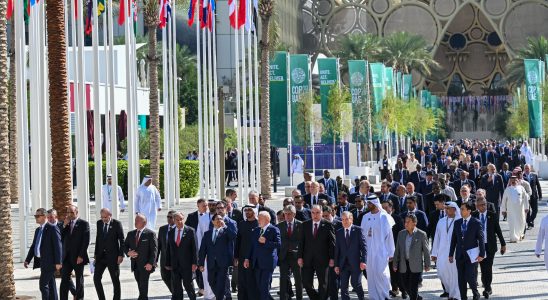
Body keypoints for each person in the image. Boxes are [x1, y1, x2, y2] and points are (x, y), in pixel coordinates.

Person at [360, 196, 395, 300]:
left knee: (382, 274)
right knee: (371, 275)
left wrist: (391, 253)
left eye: (369, 203)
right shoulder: (365, 217)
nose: (367, 205)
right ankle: (374, 297)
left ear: (375, 203)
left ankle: (385, 296)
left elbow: (389, 237)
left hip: (381, 251)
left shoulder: (384, 217)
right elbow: (362, 235)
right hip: (368, 252)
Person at [298, 205, 335, 300]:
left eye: (317, 212)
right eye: (313, 213)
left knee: (323, 284)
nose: (315, 215)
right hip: (307, 259)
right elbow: (301, 242)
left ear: (322, 213)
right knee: (306, 283)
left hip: (323, 259)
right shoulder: (305, 224)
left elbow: (332, 243)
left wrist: (332, 258)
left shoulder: (327, 224)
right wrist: (300, 257)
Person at [449, 203, 485, 300]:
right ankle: (463, 297)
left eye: (463, 209)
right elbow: (454, 239)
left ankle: (475, 292)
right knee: (461, 279)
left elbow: (481, 239)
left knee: (470, 276)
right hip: (460, 255)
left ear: (469, 211)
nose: (460, 211)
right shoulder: (457, 223)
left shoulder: (476, 222)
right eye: (460, 209)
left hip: (471, 255)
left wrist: (482, 254)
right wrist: (450, 254)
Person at [24, 208, 62, 300]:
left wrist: (58, 262)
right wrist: (27, 260)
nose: (36, 218)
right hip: (42, 262)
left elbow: (58, 246)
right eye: (35, 216)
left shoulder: (52, 228)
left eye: (38, 216)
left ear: (44, 216)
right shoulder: (38, 230)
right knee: (51, 284)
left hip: (50, 262)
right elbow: (34, 246)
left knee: (43, 285)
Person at [198, 213, 238, 300]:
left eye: (221, 219)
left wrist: (226, 227)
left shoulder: (225, 232)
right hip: (211, 262)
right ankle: (221, 296)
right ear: (213, 221)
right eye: (217, 219)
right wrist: (201, 264)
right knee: (211, 281)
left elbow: (234, 236)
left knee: (221, 283)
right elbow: (202, 250)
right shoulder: (207, 234)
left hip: (222, 263)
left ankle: (219, 298)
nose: (219, 220)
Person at [472, 198, 506, 298]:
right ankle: (485, 284)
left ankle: (488, 288)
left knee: (488, 267)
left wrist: (503, 244)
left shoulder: (492, 215)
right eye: (480, 205)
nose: (483, 206)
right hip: (478, 246)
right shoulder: (474, 215)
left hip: (490, 245)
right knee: (482, 267)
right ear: (477, 206)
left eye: (484, 204)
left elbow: (498, 230)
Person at [244, 211, 281, 299]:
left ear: (267, 219)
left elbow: (278, 244)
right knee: (260, 287)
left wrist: (266, 242)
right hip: (257, 262)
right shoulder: (256, 230)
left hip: (267, 263)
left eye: (260, 218)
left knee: (264, 287)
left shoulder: (274, 229)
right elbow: (251, 246)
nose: (258, 220)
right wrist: (247, 258)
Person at [393, 214, 430, 300]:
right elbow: (397, 250)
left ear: (414, 223)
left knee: (413, 287)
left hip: (416, 265)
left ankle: (414, 297)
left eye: (408, 222)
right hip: (403, 264)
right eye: (405, 222)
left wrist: (427, 264)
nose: (405, 224)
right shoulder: (401, 234)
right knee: (405, 285)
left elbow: (426, 251)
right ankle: (417, 298)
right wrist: (395, 263)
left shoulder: (421, 234)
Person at [431, 202, 461, 300]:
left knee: (455, 274)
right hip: (442, 252)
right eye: (446, 208)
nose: (446, 210)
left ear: (454, 209)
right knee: (442, 272)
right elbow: (436, 238)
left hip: (455, 252)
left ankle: (456, 295)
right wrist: (434, 253)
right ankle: (449, 291)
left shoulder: (460, 220)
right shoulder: (441, 221)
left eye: (448, 208)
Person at [124, 213, 158, 300]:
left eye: (138, 221)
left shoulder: (150, 234)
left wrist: (151, 263)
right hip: (135, 265)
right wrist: (128, 252)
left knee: (143, 284)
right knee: (140, 284)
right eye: (135, 220)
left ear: (144, 223)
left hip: (146, 265)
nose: (135, 222)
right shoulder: (131, 234)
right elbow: (124, 246)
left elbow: (154, 250)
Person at [93, 208, 125, 300]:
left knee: (115, 280)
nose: (103, 219)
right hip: (100, 257)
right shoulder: (99, 223)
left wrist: (121, 255)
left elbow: (122, 240)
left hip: (113, 257)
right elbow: (98, 238)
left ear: (110, 215)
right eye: (102, 217)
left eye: (105, 217)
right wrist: (95, 253)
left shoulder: (117, 224)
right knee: (96, 279)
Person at [334, 211, 367, 300]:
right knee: (343, 287)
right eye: (343, 219)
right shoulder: (339, 232)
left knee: (355, 283)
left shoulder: (358, 230)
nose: (344, 221)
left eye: (346, 219)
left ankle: (361, 298)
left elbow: (364, 247)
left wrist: (364, 261)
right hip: (343, 264)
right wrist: (336, 264)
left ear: (351, 219)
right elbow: (337, 249)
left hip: (356, 263)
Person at [60, 205, 90, 300]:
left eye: (71, 212)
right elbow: (60, 237)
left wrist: (81, 256)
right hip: (66, 257)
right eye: (68, 212)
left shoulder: (83, 224)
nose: (69, 214)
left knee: (79, 280)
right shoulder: (65, 224)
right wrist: (64, 225)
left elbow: (86, 241)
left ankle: (79, 298)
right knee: (64, 279)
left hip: (78, 257)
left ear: (76, 213)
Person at [166, 212, 198, 300]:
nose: (180, 221)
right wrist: (167, 263)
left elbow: (195, 248)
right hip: (175, 264)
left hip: (187, 264)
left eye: (181, 219)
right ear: (174, 220)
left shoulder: (190, 231)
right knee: (176, 287)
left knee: (188, 285)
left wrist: (195, 263)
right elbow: (169, 248)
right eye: (177, 220)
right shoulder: (171, 232)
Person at [277, 205, 303, 300]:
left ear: (294, 214)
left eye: (289, 214)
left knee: (298, 279)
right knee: (283, 278)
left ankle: (299, 297)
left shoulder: (301, 225)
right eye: (286, 214)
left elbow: (302, 241)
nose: (287, 216)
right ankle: (283, 297)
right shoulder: (279, 226)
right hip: (284, 256)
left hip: (296, 256)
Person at [184, 198, 208, 295]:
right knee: (198, 267)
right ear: (198, 206)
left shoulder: (211, 215)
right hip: (196, 245)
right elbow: (187, 229)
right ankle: (201, 287)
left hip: (207, 245)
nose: (206, 207)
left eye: (206, 205)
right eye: (203, 206)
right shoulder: (192, 216)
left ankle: (207, 287)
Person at [236, 205, 259, 300]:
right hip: (242, 257)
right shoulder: (241, 224)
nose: (247, 212)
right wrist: (236, 256)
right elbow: (238, 241)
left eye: (249, 210)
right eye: (246, 210)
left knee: (252, 281)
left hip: (255, 258)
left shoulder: (259, 224)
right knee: (242, 280)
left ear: (254, 212)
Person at [382, 200, 404, 298]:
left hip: (396, 249)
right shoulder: (380, 219)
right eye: (383, 208)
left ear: (391, 208)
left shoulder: (397, 218)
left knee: (398, 271)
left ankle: (404, 290)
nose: (385, 210)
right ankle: (394, 289)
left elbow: (401, 234)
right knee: (389, 271)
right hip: (384, 250)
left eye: (387, 207)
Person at [501, 176, 530, 242]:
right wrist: (503, 210)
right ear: (510, 181)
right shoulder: (507, 189)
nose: (513, 182)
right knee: (512, 224)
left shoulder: (521, 188)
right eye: (512, 181)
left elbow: (525, 198)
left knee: (521, 223)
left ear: (517, 181)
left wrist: (526, 207)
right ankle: (513, 238)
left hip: (520, 210)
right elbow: (504, 200)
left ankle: (520, 235)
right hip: (511, 211)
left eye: (515, 180)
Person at [157, 210, 177, 293]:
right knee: (165, 277)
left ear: (175, 218)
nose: (169, 219)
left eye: (171, 217)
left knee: (176, 279)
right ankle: (174, 292)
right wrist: (155, 260)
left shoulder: (179, 228)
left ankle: (176, 294)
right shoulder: (162, 229)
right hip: (164, 259)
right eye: (168, 217)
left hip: (176, 260)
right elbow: (159, 245)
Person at [523, 164, 542, 229]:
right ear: (524, 169)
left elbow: (538, 186)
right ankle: (529, 223)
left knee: (535, 210)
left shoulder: (534, 175)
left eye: (528, 168)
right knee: (527, 211)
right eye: (525, 168)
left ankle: (530, 220)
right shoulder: (522, 176)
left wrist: (540, 195)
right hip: (526, 197)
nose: (527, 169)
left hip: (534, 196)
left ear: (530, 169)